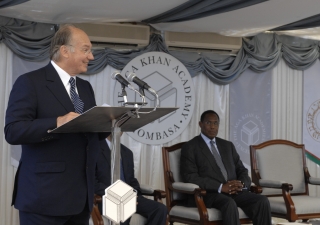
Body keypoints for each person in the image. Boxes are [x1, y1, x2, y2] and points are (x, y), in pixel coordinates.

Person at [4, 24, 108, 225]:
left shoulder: (85, 87)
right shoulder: (30, 82)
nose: (91, 57)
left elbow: (87, 135)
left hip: (80, 199)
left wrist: (111, 122)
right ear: (64, 51)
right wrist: (57, 122)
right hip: (44, 199)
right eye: (85, 49)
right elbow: (13, 130)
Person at [180, 110, 271, 225]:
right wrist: (220, 187)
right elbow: (191, 177)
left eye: (216, 123)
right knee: (228, 203)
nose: (213, 127)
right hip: (208, 194)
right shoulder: (190, 147)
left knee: (262, 201)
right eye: (208, 123)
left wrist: (241, 184)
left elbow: (242, 170)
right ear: (200, 124)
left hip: (234, 191)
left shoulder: (227, 145)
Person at [95, 133, 168, 225]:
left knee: (160, 209)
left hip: (129, 196)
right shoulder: (94, 149)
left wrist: (133, 194)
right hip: (107, 198)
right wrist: (119, 195)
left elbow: (131, 179)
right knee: (124, 211)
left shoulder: (127, 152)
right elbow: (93, 183)